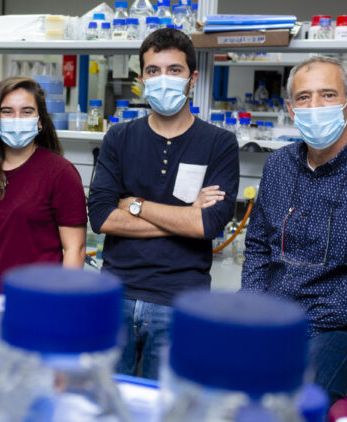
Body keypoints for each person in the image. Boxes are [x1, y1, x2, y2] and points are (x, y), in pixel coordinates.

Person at [241, 56, 347, 404]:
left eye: (327, 95)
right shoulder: (278, 166)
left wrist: (289, 329)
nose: (315, 106)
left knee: (293, 396)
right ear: (290, 108)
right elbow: (258, 248)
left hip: (345, 326)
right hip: (273, 316)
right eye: (304, 98)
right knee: (215, 379)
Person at [87, 28, 239, 380]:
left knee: (171, 408)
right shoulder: (119, 137)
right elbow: (100, 217)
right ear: (141, 79)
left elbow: (208, 225)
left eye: (174, 70)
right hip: (116, 296)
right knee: (108, 404)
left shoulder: (219, 143)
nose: (163, 80)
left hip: (180, 302)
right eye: (153, 71)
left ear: (192, 78)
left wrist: (134, 205)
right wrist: (185, 216)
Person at [0, 76, 87, 296]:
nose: (17, 119)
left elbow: (75, 250)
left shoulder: (61, 173)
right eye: (7, 111)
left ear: (40, 121)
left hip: (38, 300)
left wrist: (61, 302)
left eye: (27, 111)